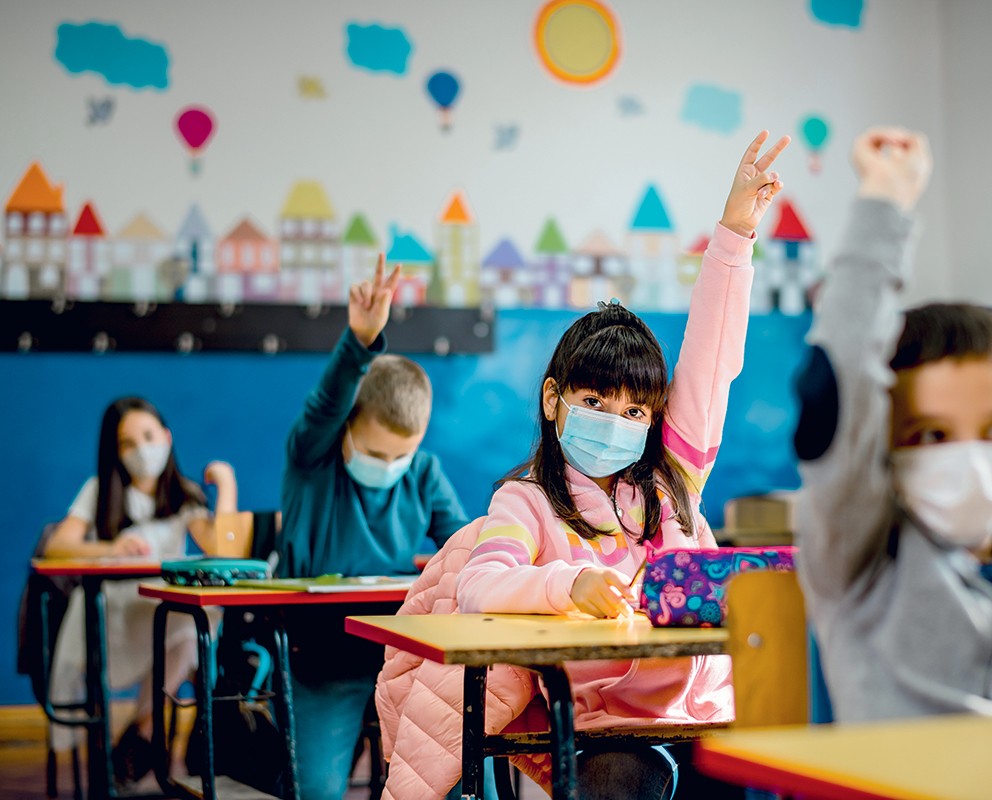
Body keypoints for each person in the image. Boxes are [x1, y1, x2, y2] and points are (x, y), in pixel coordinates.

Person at [376, 129, 790, 800]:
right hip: (602, 731)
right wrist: (565, 587)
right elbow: (482, 585)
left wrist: (736, 232)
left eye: (635, 411)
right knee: (620, 777)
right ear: (553, 399)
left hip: (697, 712)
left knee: (758, 769)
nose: (616, 422)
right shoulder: (527, 502)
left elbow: (714, 357)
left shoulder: (671, 481)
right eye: (595, 401)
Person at [791, 126, 992, 722]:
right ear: (881, 447)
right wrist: (885, 201)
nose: (969, 455)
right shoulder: (862, 565)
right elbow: (839, 381)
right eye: (932, 435)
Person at [278, 260, 469, 800]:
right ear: (347, 429)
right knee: (314, 789)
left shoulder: (424, 472)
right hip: (319, 659)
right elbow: (324, 404)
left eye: (401, 455)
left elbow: (462, 543)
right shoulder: (312, 460)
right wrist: (361, 340)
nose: (388, 465)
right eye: (375, 450)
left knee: (447, 775)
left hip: (403, 657)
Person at [43, 395, 237, 786]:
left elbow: (222, 546)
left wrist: (227, 484)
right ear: (115, 452)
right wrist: (109, 548)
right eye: (127, 443)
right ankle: (145, 735)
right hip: (110, 614)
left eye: (148, 436)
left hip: (160, 612)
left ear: (166, 437)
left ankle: (142, 728)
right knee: (187, 625)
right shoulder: (98, 490)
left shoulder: (183, 495)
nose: (141, 450)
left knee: (197, 623)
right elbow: (57, 545)